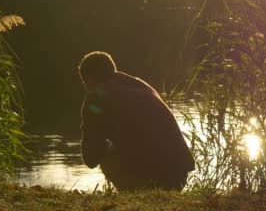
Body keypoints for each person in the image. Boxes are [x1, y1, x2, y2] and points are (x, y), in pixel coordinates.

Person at [78, 51, 195, 191]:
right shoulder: (140, 85)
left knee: (105, 153)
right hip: (179, 175)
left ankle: (132, 193)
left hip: (150, 178)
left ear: (89, 79)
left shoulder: (97, 97)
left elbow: (91, 158)